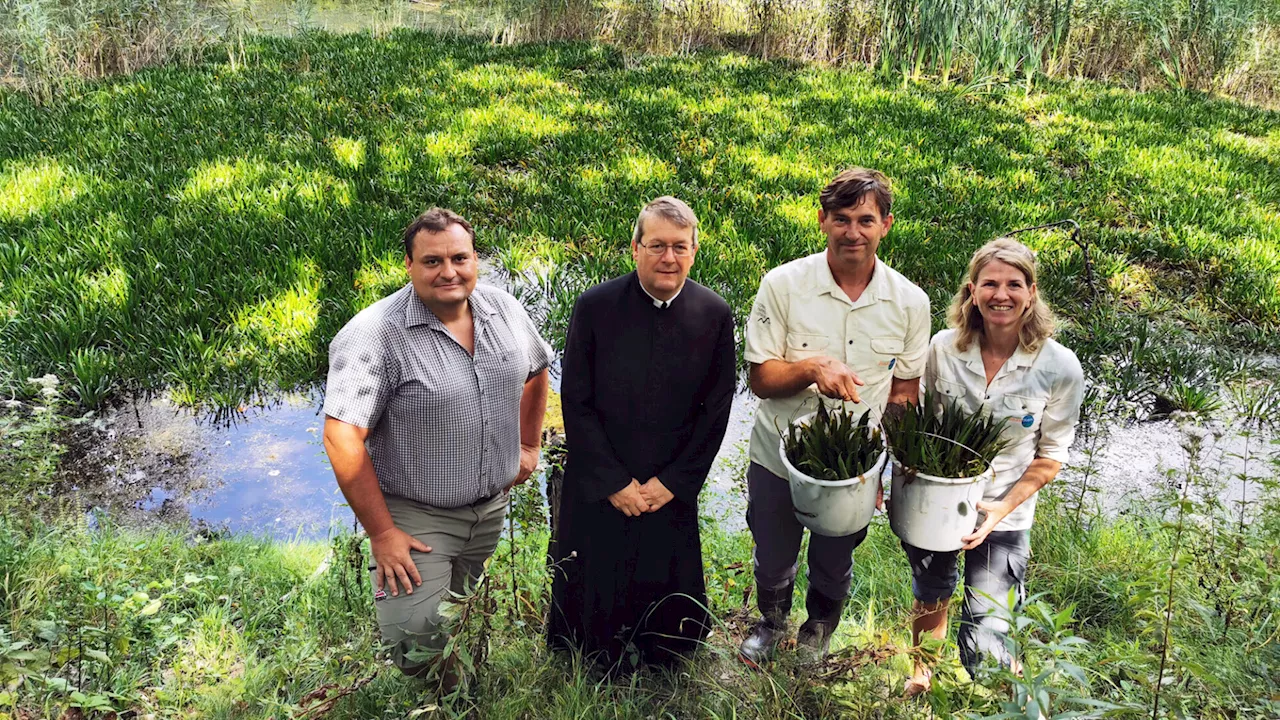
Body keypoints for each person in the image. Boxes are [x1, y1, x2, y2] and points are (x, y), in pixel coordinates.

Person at [322, 208, 552, 686]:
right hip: (416, 514)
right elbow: (342, 435)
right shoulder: (374, 335)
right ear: (408, 264)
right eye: (431, 261)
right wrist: (382, 534)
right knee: (415, 637)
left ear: (476, 260)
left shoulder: (504, 309)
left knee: (462, 611)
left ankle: (463, 692)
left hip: (490, 507)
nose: (448, 271)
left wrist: (529, 447)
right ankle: (444, 694)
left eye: (459, 258)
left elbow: (536, 369)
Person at [739, 168, 931, 665]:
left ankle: (818, 630)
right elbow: (760, 379)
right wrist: (810, 368)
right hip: (777, 454)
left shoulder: (910, 302)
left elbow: (905, 393)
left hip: (854, 469)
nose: (853, 232)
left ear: (886, 225)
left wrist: (886, 472)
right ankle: (770, 623)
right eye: (841, 219)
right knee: (774, 554)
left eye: (865, 220)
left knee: (834, 558)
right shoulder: (782, 286)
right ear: (822, 220)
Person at [547, 196, 736, 672]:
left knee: (668, 595)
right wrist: (613, 481)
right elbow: (576, 401)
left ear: (694, 250)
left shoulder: (714, 314)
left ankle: (665, 655)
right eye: (656, 246)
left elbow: (716, 411)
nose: (668, 258)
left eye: (679, 246)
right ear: (634, 248)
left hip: (669, 484)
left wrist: (673, 482)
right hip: (602, 477)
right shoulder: (595, 306)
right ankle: (591, 656)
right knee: (592, 595)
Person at [900, 237, 1083, 695]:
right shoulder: (942, 348)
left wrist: (999, 511)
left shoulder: (1059, 366)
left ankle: (1007, 689)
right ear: (972, 291)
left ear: (1032, 292)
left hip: (1005, 511)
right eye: (990, 284)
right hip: (936, 502)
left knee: (987, 634)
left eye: (1014, 284)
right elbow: (913, 421)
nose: (1002, 294)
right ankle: (922, 674)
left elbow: (1050, 456)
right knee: (932, 591)